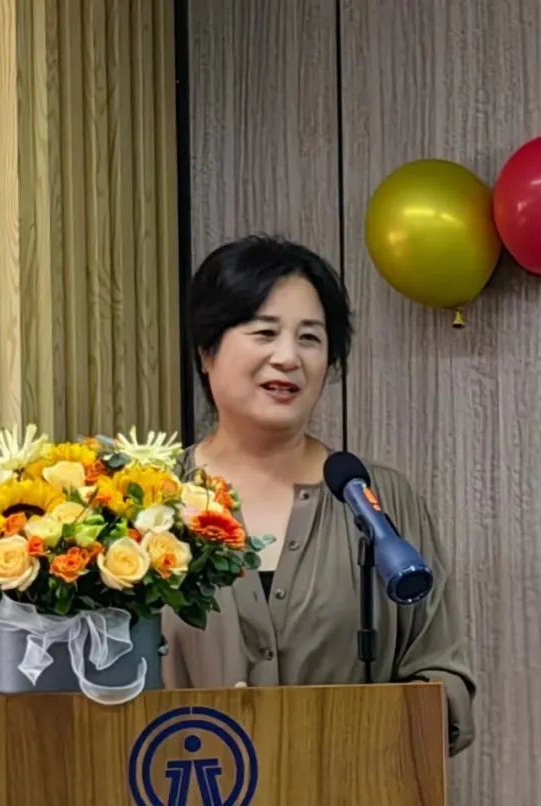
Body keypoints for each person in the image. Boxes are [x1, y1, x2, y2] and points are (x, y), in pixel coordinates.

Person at [160, 234, 476, 755]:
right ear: (206, 351)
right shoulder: (144, 499)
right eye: (264, 332)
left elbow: (442, 674)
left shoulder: (377, 498)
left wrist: (352, 730)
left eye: (310, 338)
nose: (288, 357)